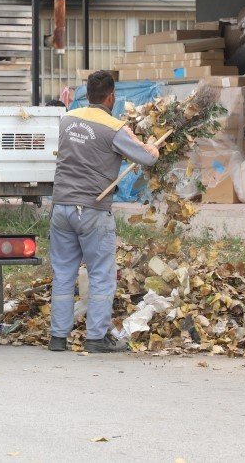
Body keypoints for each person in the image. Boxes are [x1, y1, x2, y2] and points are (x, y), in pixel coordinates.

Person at [48, 71, 159, 353]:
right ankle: (96, 338)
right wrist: (154, 148)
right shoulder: (114, 127)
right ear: (111, 97)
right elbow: (146, 158)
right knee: (101, 275)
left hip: (61, 207)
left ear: (87, 94)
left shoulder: (67, 119)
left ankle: (58, 337)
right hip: (92, 209)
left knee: (63, 274)